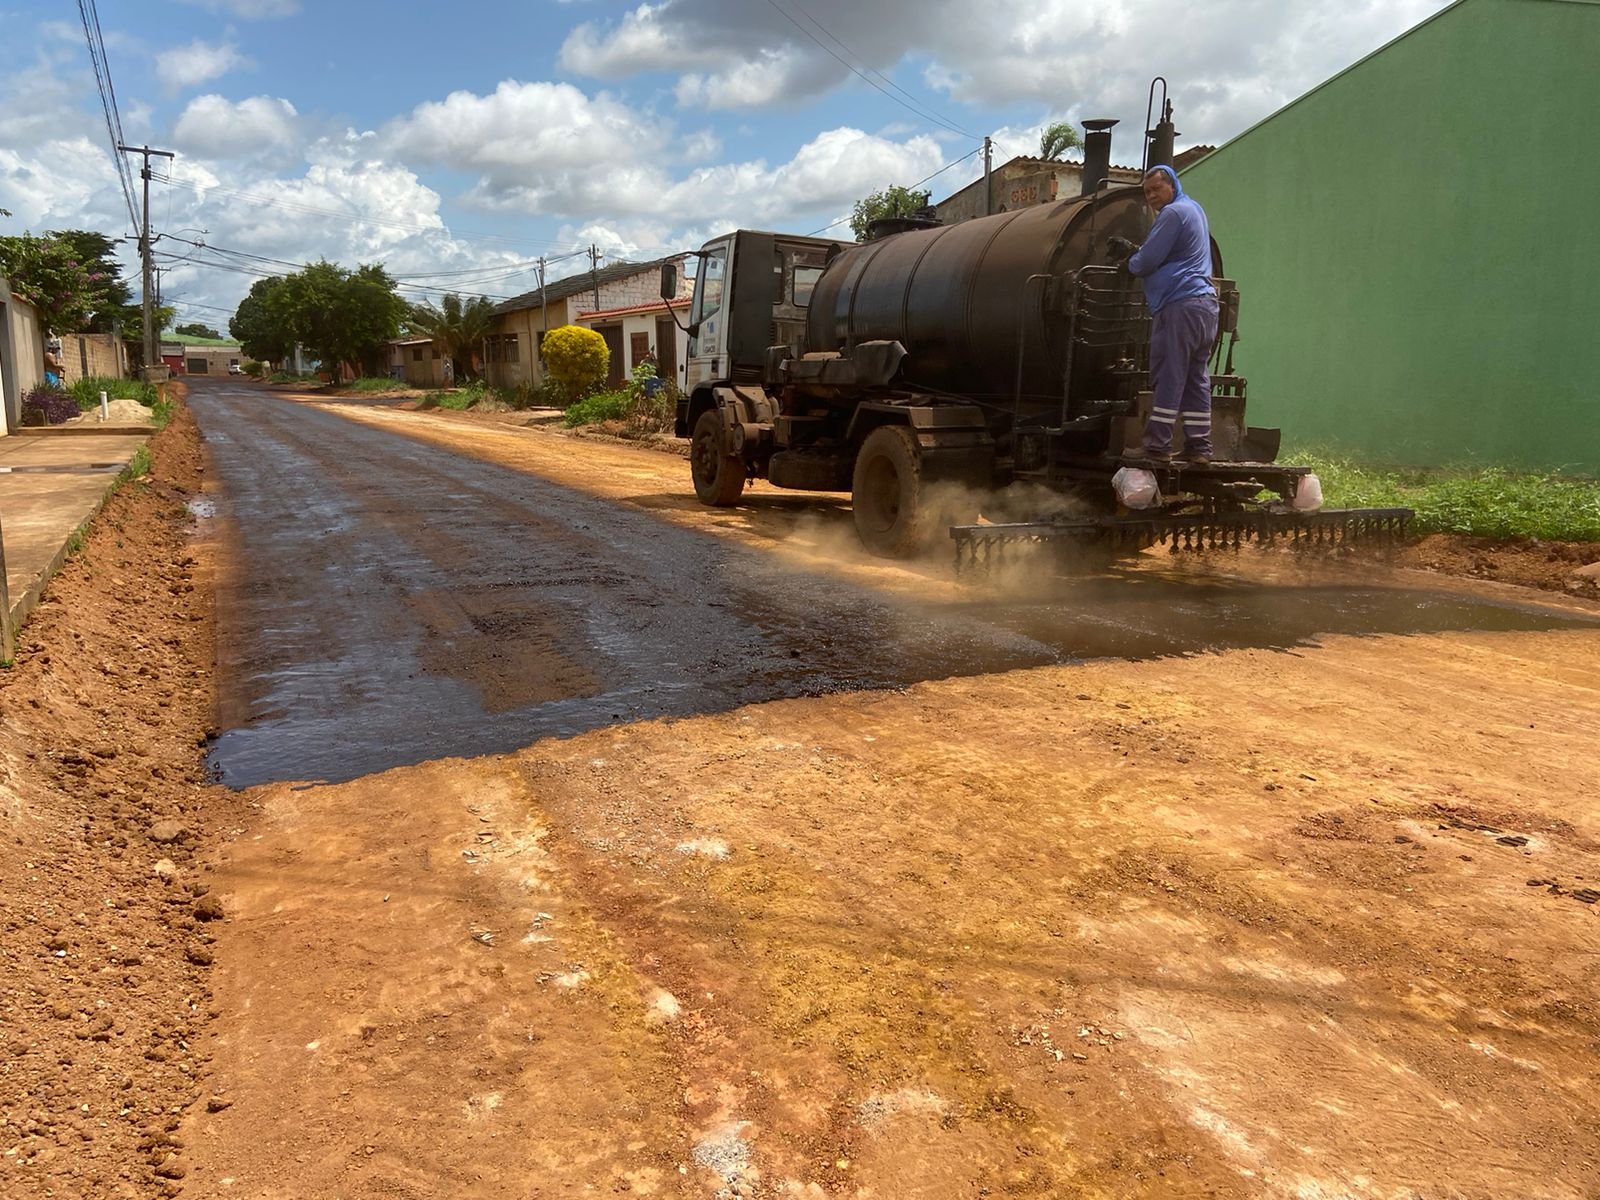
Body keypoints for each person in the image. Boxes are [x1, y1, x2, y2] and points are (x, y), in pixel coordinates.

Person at [1109, 165, 1219, 464]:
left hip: (1179, 304)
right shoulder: (1194, 209)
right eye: (1146, 193)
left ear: (1172, 185)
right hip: (1205, 305)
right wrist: (1137, 251)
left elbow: (1147, 262)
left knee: (1168, 373)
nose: (1151, 196)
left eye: (1156, 189)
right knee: (1196, 376)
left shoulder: (1171, 214)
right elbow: (1169, 252)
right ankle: (1200, 447)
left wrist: (1128, 263)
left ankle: (1158, 445)